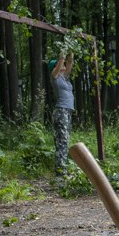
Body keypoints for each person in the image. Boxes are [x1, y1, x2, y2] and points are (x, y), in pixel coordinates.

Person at [50, 52, 74, 180]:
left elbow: (70, 63)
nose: (64, 65)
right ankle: (60, 172)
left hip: (68, 112)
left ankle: (62, 169)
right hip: (61, 112)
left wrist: (71, 53)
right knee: (62, 142)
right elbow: (61, 63)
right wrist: (62, 55)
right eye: (61, 64)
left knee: (65, 141)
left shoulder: (64, 78)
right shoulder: (55, 77)